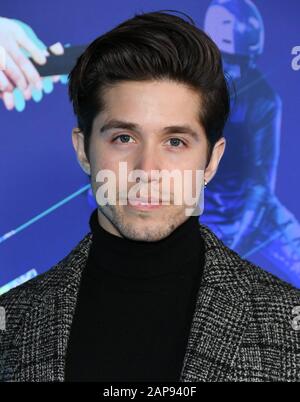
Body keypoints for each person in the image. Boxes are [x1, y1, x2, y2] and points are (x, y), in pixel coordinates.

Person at [0, 10, 299, 382]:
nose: (147, 169)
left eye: (175, 141)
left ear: (211, 160)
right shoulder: (9, 324)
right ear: (83, 151)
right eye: (124, 138)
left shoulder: (288, 325)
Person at [202, 0, 300, 288]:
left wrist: (237, 235)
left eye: (243, 62)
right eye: (228, 61)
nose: (237, 73)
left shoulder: (265, 100)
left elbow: (260, 182)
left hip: (255, 210)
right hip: (202, 208)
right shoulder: (184, 91)